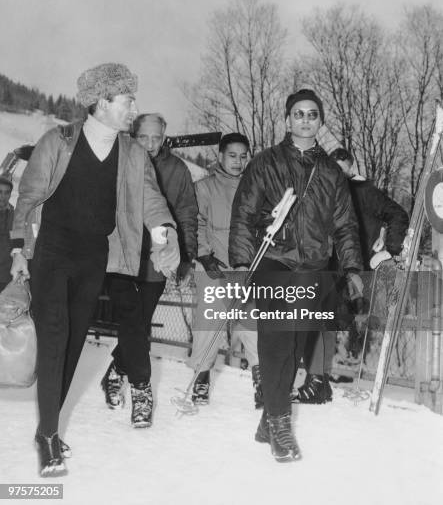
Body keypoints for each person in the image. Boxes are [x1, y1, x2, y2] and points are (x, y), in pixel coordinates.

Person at [9, 63, 180, 477]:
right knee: (54, 337)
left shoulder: (134, 154)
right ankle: (49, 434)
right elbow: (28, 195)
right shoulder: (59, 140)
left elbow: (152, 201)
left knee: (71, 346)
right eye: (127, 99)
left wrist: (164, 235)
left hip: (93, 260)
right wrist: (19, 249)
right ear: (102, 102)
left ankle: (47, 425)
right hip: (50, 253)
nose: (133, 108)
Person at [229, 88, 363, 462]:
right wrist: (241, 265)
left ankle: (268, 420)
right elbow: (243, 215)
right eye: (299, 114)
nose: (305, 120)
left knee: (297, 346)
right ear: (288, 120)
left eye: (313, 114)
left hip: (314, 268)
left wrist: (351, 267)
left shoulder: (332, 173)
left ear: (320, 122)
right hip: (274, 262)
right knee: (276, 343)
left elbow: (345, 226)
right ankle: (280, 424)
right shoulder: (265, 163)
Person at [101, 112, 198, 427]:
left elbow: (186, 213)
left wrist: (186, 255)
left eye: (157, 137)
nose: (151, 144)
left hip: (158, 259)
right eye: (144, 137)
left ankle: (116, 368)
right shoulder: (117, 161)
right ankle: (142, 390)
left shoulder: (178, 170)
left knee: (139, 323)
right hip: (122, 255)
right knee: (132, 319)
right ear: (133, 134)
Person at [293, 147, 410, 403]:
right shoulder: (325, 193)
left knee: (338, 327)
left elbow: (399, 214)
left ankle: (323, 381)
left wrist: (389, 249)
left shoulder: (364, 192)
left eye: (343, 172)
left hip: (355, 274)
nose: (338, 178)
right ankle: (318, 382)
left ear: (351, 169)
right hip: (327, 270)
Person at [189, 133, 263, 408]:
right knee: (208, 325)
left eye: (243, 156)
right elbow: (194, 223)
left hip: (243, 267)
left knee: (251, 325)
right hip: (214, 265)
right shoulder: (205, 188)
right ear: (220, 156)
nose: (238, 161)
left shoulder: (254, 188)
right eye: (232, 155)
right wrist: (204, 254)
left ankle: (261, 380)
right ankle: (201, 377)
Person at [0, 175, 14, 292]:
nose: (3, 196)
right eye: (0, 192)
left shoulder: (16, 215)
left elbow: (17, 241)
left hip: (6, 272)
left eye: (7, 192)